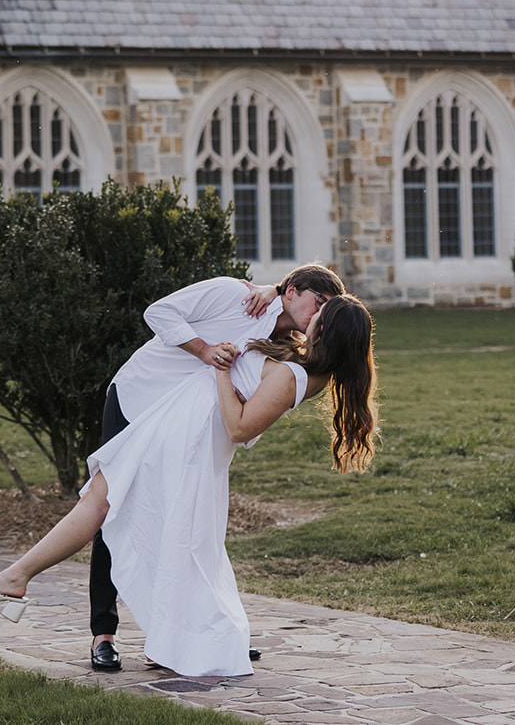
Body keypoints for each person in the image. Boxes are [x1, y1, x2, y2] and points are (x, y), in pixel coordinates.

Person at [0, 291, 379, 678]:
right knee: (147, 523)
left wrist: (221, 369)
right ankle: (29, 584)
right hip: (176, 422)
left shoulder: (294, 376)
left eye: (320, 314)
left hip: (188, 438)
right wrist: (274, 289)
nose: (309, 316)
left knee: (109, 508)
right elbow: (279, 306)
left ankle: (17, 579)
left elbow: (238, 428)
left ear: (326, 331)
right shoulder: (301, 358)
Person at [84, 265, 344, 672]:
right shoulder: (232, 294)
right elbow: (158, 313)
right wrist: (205, 350)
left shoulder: (289, 343)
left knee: (183, 522)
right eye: (319, 303)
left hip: (185, 429)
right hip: (139, 397)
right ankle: (104, 633)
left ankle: (184, 636)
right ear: (292, 290)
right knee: (110, 508)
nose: (320, 316)